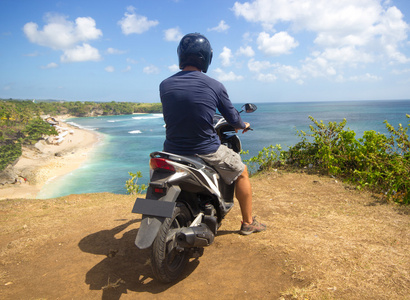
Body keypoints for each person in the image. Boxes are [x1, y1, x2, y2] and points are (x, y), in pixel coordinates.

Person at [159, 33, 266, 235]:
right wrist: (242, 125)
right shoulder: (214, 85)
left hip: (171, 150)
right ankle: (248, 222)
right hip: (204, 150)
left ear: (181, 55)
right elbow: (233, 117)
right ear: (206, 57)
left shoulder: (165, 84)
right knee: (241, 171)